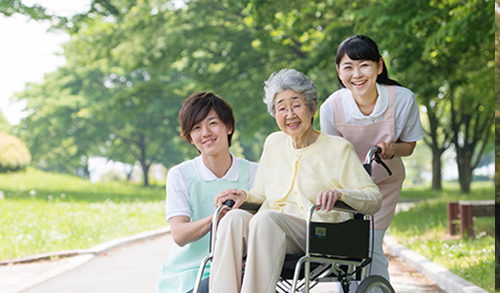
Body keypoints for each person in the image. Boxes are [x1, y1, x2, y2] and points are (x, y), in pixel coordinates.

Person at [209, 69, 382, 293]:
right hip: (272, 229)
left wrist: (341, 194)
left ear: (312, 108)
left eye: (296, 104)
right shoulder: (273, 143)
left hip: (318, 233)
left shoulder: (338, 148)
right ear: (275, 114)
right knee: (233, 219)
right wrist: (244, 197)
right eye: (281, 107)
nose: (289, 114)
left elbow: (374, 198)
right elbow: (261, 194)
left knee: (265, 220)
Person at [319, 35, 424, 282]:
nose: (357, 74)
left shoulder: (402, 99)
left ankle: (375, 287)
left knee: (372, 245)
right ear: (338, 71)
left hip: (384, 184)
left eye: (364, 64)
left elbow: (409, 146)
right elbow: (329, 157)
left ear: (379, 66)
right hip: (348, 188)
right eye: (348, 67)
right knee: (348, 248)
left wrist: (392, 149)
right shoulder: (331, 107)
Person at [156, 92, 258, 293]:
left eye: (213, 123)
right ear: (190, 138)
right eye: (196, 127)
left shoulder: (254, 172)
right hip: (188, 276)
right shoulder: (181, 175)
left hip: (241, 271)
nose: (206, 133)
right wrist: (215, 218)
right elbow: (179, 234)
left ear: (228, 127)